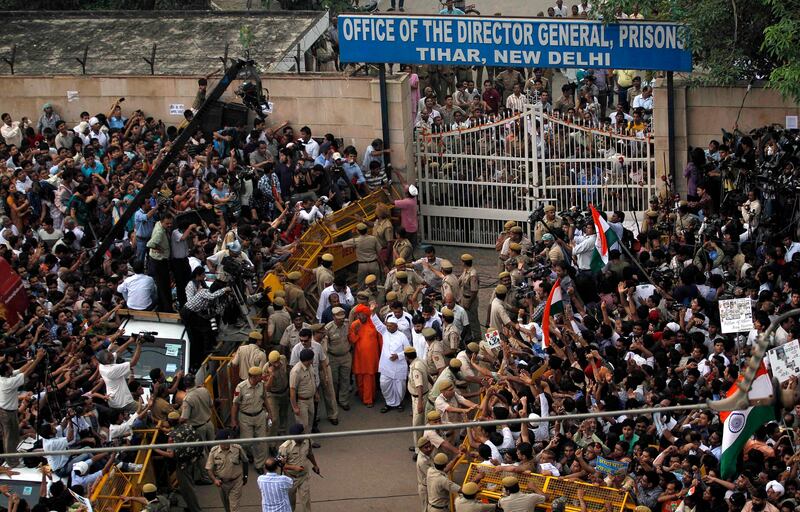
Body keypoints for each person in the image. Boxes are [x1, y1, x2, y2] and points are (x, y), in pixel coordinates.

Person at [0, 348, 45, 466]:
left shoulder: (6, 376)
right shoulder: (7, 383)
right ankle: (11, 462)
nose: (12, 369)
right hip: (6, 412)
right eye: (10, 368)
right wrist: (38, 359)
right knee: (9, 437)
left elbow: (20, 370)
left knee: (13, 435)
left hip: (10, 411)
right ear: (6, 372)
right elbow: (26, 373)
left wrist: (32, 360)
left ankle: (13, 454)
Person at [371, 304, 410, 412]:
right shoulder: (384, 332)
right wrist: (373, 311)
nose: (388, 327)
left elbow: (408, 350)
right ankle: (389, 403)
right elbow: (377, 323)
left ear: (396, 326)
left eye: (390, 326)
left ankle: (399, 403)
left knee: (400, 387)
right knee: (384, 384)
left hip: (399, 365)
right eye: (387, 325)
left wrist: (398, 355)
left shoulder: (402, 336)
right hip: (386, 366)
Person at [231, 366, 269, 473]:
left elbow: (265, 399)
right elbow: (235, 404)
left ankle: (259, 465)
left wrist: (270, 413)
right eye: (259, 376)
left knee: (261, 442)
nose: (261, 377)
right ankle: (249, 453)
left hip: (259, 415)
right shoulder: (241, 387)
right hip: (245, 418)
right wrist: (233, 420)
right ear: (252, 377)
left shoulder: (261, 385)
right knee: (246, 442)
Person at [278, 423, 320, 512]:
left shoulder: (307, 441)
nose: (296, 439)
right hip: (290, 479)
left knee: (306, 501)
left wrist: (315, 465)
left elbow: (309, 454)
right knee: (290, 502)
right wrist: (294, 468)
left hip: (303, 476)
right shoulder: (284, 447)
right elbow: (281, 465)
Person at [206, 429, 249, 512]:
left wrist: (245, 476)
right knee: (227, 507)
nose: (227, 444)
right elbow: (209, 468)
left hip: (236, 482)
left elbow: (245, 461)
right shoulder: (214, 451)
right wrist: (215, 480)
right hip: (222, 484)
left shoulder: (237, 448)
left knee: (234, 508)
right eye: (224, 442)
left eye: (228, 441)